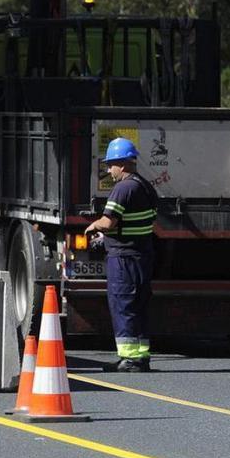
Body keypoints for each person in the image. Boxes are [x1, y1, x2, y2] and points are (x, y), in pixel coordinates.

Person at [84, 137, 158, 372]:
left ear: (123, 164)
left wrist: (93, 226)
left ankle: (129, 358)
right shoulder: (146, 186)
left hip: (123, 258)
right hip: (142, 255)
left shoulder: (123, 188)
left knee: (123, 303)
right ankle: (141, 355)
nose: (109, 170)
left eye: (111, 165)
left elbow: (108, 221)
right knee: (138, 305)